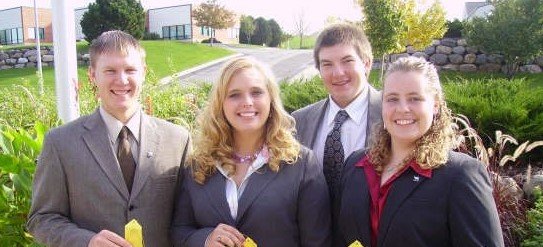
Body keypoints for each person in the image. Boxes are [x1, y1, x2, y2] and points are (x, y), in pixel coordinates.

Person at [27, 30, 191, 247]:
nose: (121, 80)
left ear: (144, 72)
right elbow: (42, 219)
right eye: (110, 70)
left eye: (130, 70)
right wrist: (87, 242)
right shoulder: (60, 143)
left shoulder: (178, 140)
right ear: (93, 75)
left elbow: (189, 219)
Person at [335, 56, 504, 247]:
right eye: (392, 99)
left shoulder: (461, 175)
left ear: (435, 105)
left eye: (414, 98)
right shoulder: (356, 165)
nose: (402, 108)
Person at [171, 57, 331, 247]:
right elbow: (179, 231)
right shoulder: (199, 163)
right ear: (221, 103)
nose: (247, 102)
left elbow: (317, 243)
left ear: (271, 100)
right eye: (234, 95)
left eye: (256, 92)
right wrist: (205, 240)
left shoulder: (301, 164)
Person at [291, 23, 382, 200]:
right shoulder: (300, 121)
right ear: (319, 70)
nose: (338, 73)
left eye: (347, 61)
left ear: (366, 63)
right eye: (327, 64)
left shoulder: (391, 116)